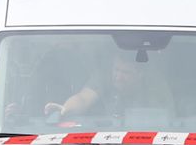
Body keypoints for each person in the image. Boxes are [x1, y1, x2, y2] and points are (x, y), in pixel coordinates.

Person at [43, 50, 173, 120]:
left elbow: (166, 119)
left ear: (140, 75)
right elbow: (83, 98)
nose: (118, 77)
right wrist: (65, 109)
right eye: (116, 70)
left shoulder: (156, 85)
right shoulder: (104, 76)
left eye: (125, 72)